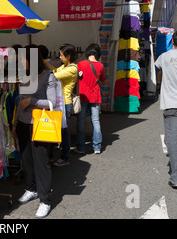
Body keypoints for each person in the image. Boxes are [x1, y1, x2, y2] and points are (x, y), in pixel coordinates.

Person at [12, 44, 65, 218]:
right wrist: (15, 124)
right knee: (26, 160)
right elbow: (20, 101)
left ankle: (45, 200)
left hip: (40, 124)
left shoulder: (49, 77)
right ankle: (31, 188)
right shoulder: (24, 77)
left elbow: (52, 103)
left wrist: (32, 101)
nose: (20, 61)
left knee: (41, 162)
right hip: (23, 124)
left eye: (23, 58)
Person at [155, 29, 177, 190]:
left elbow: (159, 76)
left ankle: (176, 178)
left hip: (171, 104)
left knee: (173, 141)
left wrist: (163, 83)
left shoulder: (164, 57)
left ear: (172, 42)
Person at [76, 44, 106, 154]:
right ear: (98, 53)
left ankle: (81, 147)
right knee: (96, 121)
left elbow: (76, 79)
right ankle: (97, 147)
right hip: (95, 95)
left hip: (83, 95)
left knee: (81, 121)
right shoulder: (100, 66)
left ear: (88, 52)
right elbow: (102, 78)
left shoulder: (81, 64)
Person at [52, 43, 78, 166]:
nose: (60, 57)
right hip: (58, 102)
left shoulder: (73, 69)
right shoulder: (64, 66)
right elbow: (53, 71)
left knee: (64, 131)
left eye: (62, 55)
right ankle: (56, 155)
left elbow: (54, 75)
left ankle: (65, 157)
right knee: (58, 130)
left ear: (68, 56)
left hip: (65, 103)